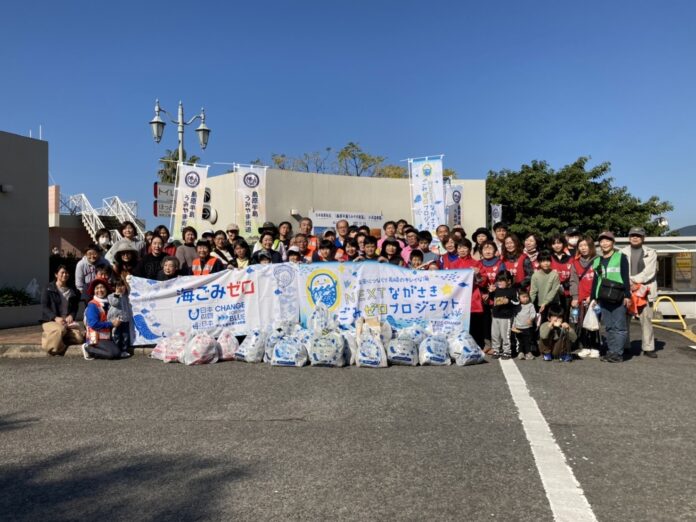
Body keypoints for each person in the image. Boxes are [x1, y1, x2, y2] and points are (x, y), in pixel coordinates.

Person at [591, 231, 631, 363]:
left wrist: (627, 295)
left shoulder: (621, 257)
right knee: (608, 326)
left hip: (618, 296)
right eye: (602, 241)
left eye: (607, 240)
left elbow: (625, 277)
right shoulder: (597, 260)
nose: (605, 243)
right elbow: (595, 280)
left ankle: (618, 353)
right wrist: (593, 297)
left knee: (619, 327)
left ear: (613, 243)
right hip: (603, 297)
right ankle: (611, 351)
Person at [621, 227, 658, 358]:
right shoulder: (621, 252)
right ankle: (625, 345)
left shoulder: (651, 252)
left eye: (638, 235)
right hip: (628, 290)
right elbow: (621, 271)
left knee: (646, 319)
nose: (635, 237)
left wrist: (633, 282)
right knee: (624, 319)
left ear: (643, 238)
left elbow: (649, 272)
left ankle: (648, 347)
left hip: (645, 291)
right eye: (632, 235)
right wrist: (629, 284)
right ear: (629, 237)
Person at [41, 265, 84, 356]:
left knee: (79, 338)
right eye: (62, 273)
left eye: (67, 273)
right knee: (60, 329)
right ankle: (52, 348)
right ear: (56, 274)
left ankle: (56, 338)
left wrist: (71, 315)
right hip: (51, 321)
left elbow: (75, 307)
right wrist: (55, 318)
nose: (65, 275)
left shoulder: (72, 290)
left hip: (66, 322)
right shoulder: (48, 288)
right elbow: (44, 307)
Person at [82, 278, 129, 360]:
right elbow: (93, 324)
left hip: (106, 337)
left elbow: (117, 301)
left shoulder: (108, 302)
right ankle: (88, 348)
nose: (100, 290)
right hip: (95, 338)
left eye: (102, 287)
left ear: (106, 290)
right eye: (97, 288)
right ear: (93, 291)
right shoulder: (92, 305)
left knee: (116, 352)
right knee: (111, 354)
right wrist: (112, 323)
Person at [570, 236, 601, 358]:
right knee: (581, 323)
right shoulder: (575, 262)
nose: (583, 248)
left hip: (595, 298)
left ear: (591, 246)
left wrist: (594, 296)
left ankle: (595, 347)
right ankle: (586, 346)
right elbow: (573, 281)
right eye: (580, 246)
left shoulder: (598, 260)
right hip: (581, 298)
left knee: (594, 322)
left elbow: (601, 280)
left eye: (585, 245)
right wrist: (575, 297)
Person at [477, 241, 505, 353]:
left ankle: (498, 344)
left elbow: (503, 279)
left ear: (495, 251)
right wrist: (483, 293)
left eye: (490, 248)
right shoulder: (478, 264)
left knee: (497, 321)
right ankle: (487, 344)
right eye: (485, 249)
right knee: (485, 322)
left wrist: (496, 287)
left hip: (498, 296)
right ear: (481, 252)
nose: (488, 251)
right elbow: (476, 281)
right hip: (482, 297)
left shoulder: (500, 263)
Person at [490, 271, 519, 360]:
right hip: (495, 316)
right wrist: (491, 292)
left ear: (509, 281)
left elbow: (517, 302)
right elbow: (492, 299)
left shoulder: (512, 291)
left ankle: (507, 351)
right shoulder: (497, 290)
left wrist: (508, 301)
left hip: (506, 317)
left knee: (505, 335)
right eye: (498, 280)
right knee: (495, 334)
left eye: (502, 280)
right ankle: (496, 350)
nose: (499, 283)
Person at [530, 250, 561, 322]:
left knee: (554, 324)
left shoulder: (554, 274)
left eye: (548, 261)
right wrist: (529, 304)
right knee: (541, 325)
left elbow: (554, 291)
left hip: (553, 304)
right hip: (541, 304)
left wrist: (545, 302)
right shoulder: (535, 275)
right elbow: (533, 291)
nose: (546, 263)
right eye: (543, 261)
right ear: (539, 262)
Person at [549, 234, 574, 319]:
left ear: (563, 244)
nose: (556, 245)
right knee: (553, 317)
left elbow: (574, 276)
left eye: (559, 243)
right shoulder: (549, 258)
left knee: (565, 316)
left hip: (567, 293)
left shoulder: (571, 259)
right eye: (554, 243)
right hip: (552, 294)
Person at [107, 279, 132, 354]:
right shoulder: (111, 296)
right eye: (118, 286)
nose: (120, 288)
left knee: (125, 336)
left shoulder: (126, 296)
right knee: (116, 335)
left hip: (125, 319)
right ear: (114, 288)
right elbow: (114, 303)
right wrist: (117, 294)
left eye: (122, 286)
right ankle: (116, 350)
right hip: (116, 320)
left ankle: (124, 350)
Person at [512, 290, 536, 360]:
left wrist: (531, 319)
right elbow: (514, 316)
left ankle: (528, 352)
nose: (526, 298)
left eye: (527, 297)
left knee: (527, 340)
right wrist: (513, 325)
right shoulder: (517, 306)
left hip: (527, 327)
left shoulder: (530, 305)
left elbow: (533, 313)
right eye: (523, 297)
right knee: (519, 341)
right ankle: (520, 352)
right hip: (518, 327)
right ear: (519, 298)